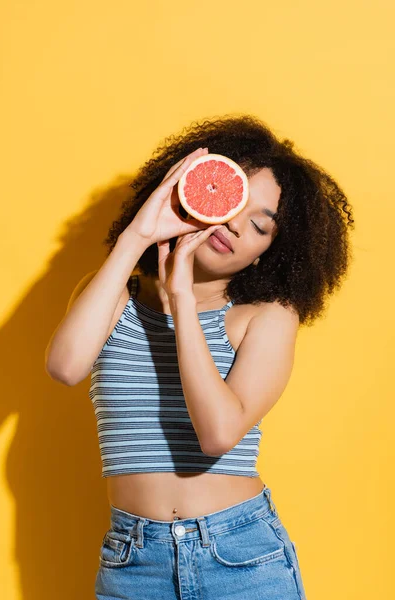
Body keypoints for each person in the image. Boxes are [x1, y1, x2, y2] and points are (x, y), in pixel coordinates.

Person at [45, 114, 354, 599]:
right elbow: (64, 367)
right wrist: (138, 235)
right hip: (132, 559)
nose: (232, 223)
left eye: (257, 225)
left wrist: (182, 298)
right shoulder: (112, 296)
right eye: (226, 199)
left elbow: (217, 434)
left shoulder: (266, 317)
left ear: (265, 254)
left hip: (240, 557)